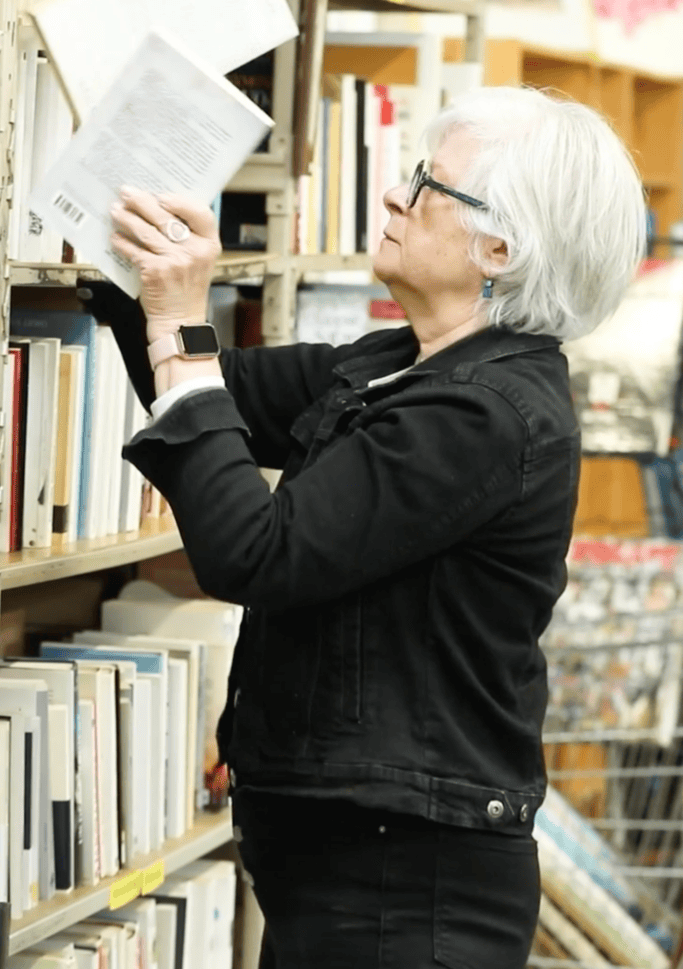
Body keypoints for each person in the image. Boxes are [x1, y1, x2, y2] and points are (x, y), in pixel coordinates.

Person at [101, 85, 647, 969]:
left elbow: (255, 549)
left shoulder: (487, 414)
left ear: (499, 248)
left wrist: (177, 320)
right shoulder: (400, 362)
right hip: (353, 866)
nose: (394, 196)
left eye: (427, 185)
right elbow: (206, 384)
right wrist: (121, 253)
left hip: (405, 886)